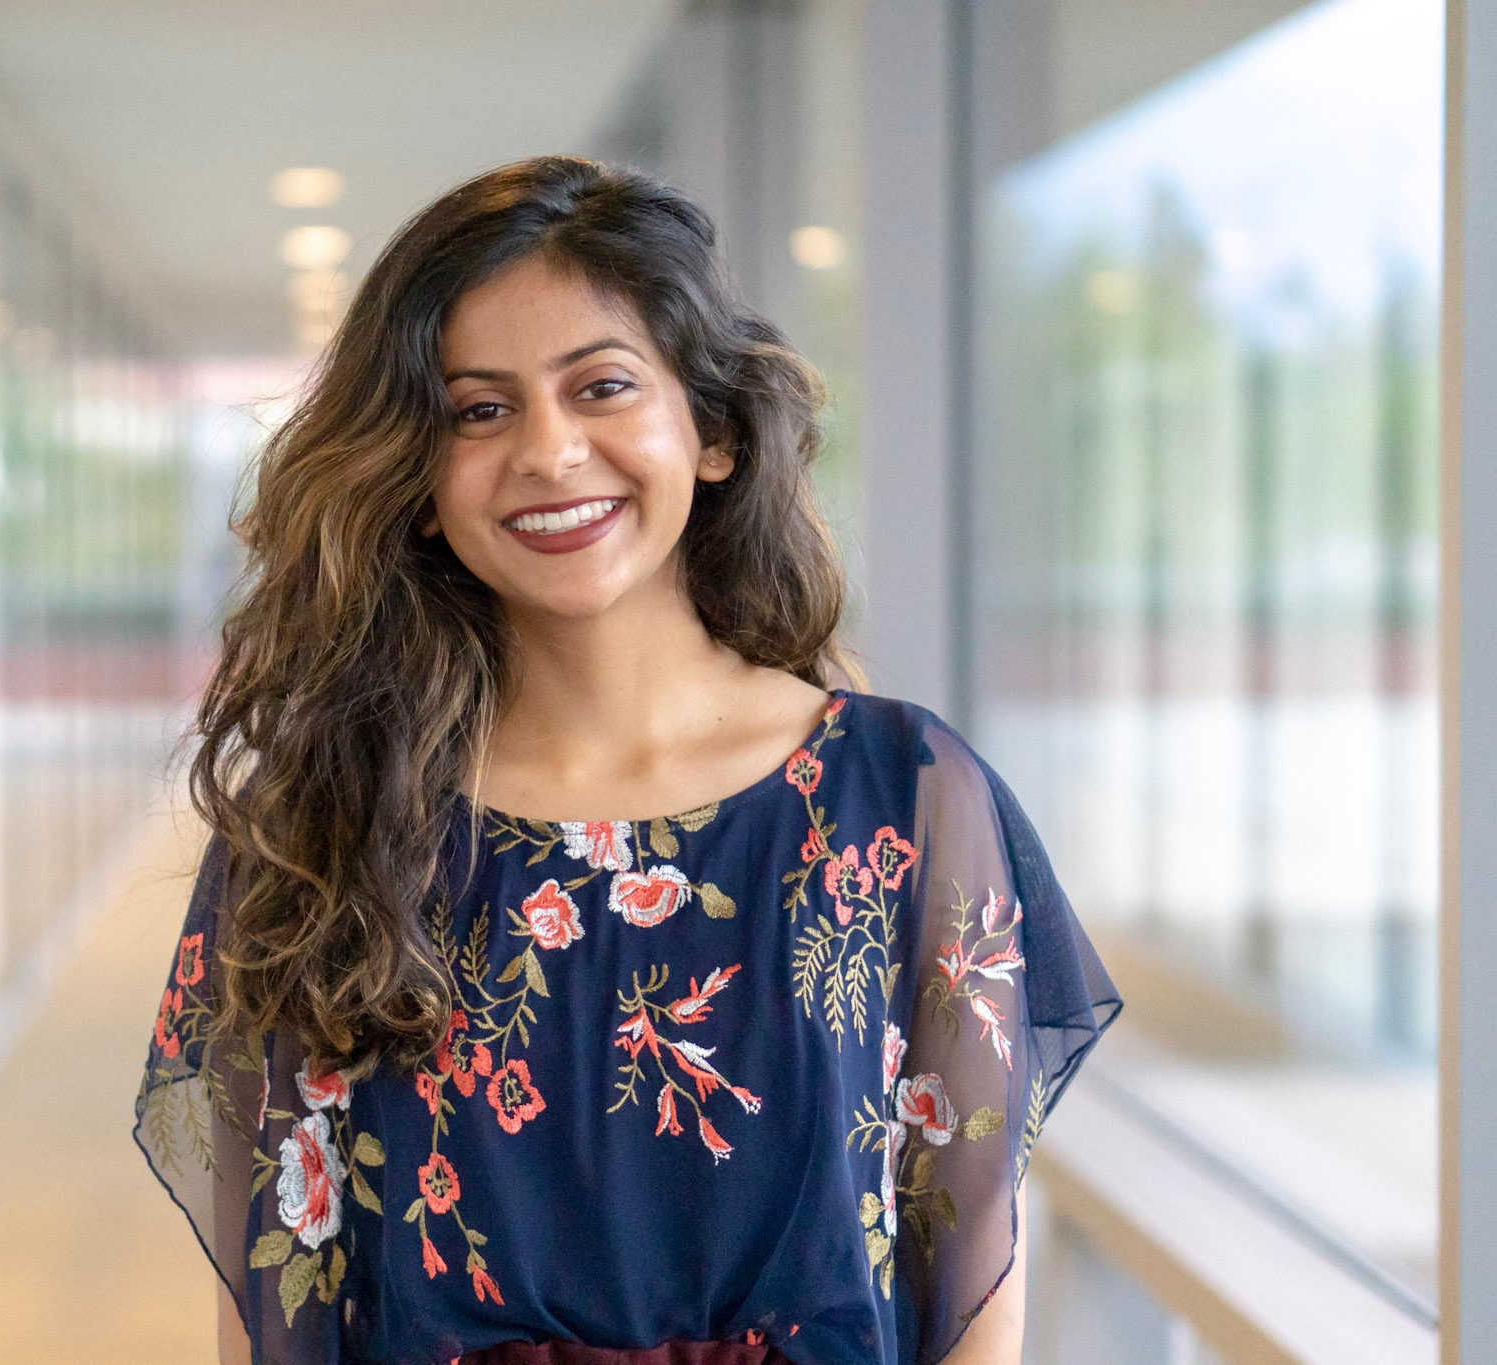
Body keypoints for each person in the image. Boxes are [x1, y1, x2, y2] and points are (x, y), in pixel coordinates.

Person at [135, 156, 1120, 1365]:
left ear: (707, 430)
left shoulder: (900, 799)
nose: (548, 453)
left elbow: (969, 1282)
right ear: (416, 476)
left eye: (599, 387)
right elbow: (269, 1307)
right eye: (478, 410)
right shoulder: (324, 817)